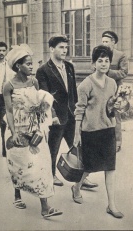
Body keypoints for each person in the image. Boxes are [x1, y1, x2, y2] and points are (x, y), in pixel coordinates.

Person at [3, 44, 62, 218]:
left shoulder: (34, 81)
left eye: (31, 63)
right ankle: (17, 195)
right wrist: (13, 133)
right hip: (18, 130)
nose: (31, 66)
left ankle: (45, 207)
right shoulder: (9, 86)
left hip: (34, 129)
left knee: (42, 165)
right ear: (18, 66)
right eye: (28, 64)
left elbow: (38, 102)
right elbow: (9, 111)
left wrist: (44, 116)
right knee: (19, 165)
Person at [36, 35, 97, 188]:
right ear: (51, 49)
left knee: (77, 147)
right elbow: (44, 96)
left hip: (71, 114)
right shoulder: (43, 70)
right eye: (61, 47)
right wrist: (53, 116)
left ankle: (80, 178)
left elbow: (73, 93)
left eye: (65, 47)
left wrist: (79, 113)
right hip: (56, 117)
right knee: (53, 149)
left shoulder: (69, 67)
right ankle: (51, 175)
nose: (65, 50)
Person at [71, 45, 124, 219]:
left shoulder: (112, 83)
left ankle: (112, 205)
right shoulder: (86, 84)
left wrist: (117, 107)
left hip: (108, 131)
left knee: (110, 168)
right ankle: (76, 187)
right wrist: (77, 134)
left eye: (107, 61)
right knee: (88, 167)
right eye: (100, 61)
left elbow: (112, 109)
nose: (103, 64)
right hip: (90, 132)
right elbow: (79, 110)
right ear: (93, 64)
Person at [102, 31, 128, 152]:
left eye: (106, 41)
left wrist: (108, 72)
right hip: (102, 88)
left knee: (115, 115)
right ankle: (104, 141)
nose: (104, 44)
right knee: (102, 114)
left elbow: (124, 72)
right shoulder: (100, 54)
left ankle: (117, 143)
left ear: (113, 42)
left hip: (117, 90)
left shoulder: (120, 55)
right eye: (102, 41)